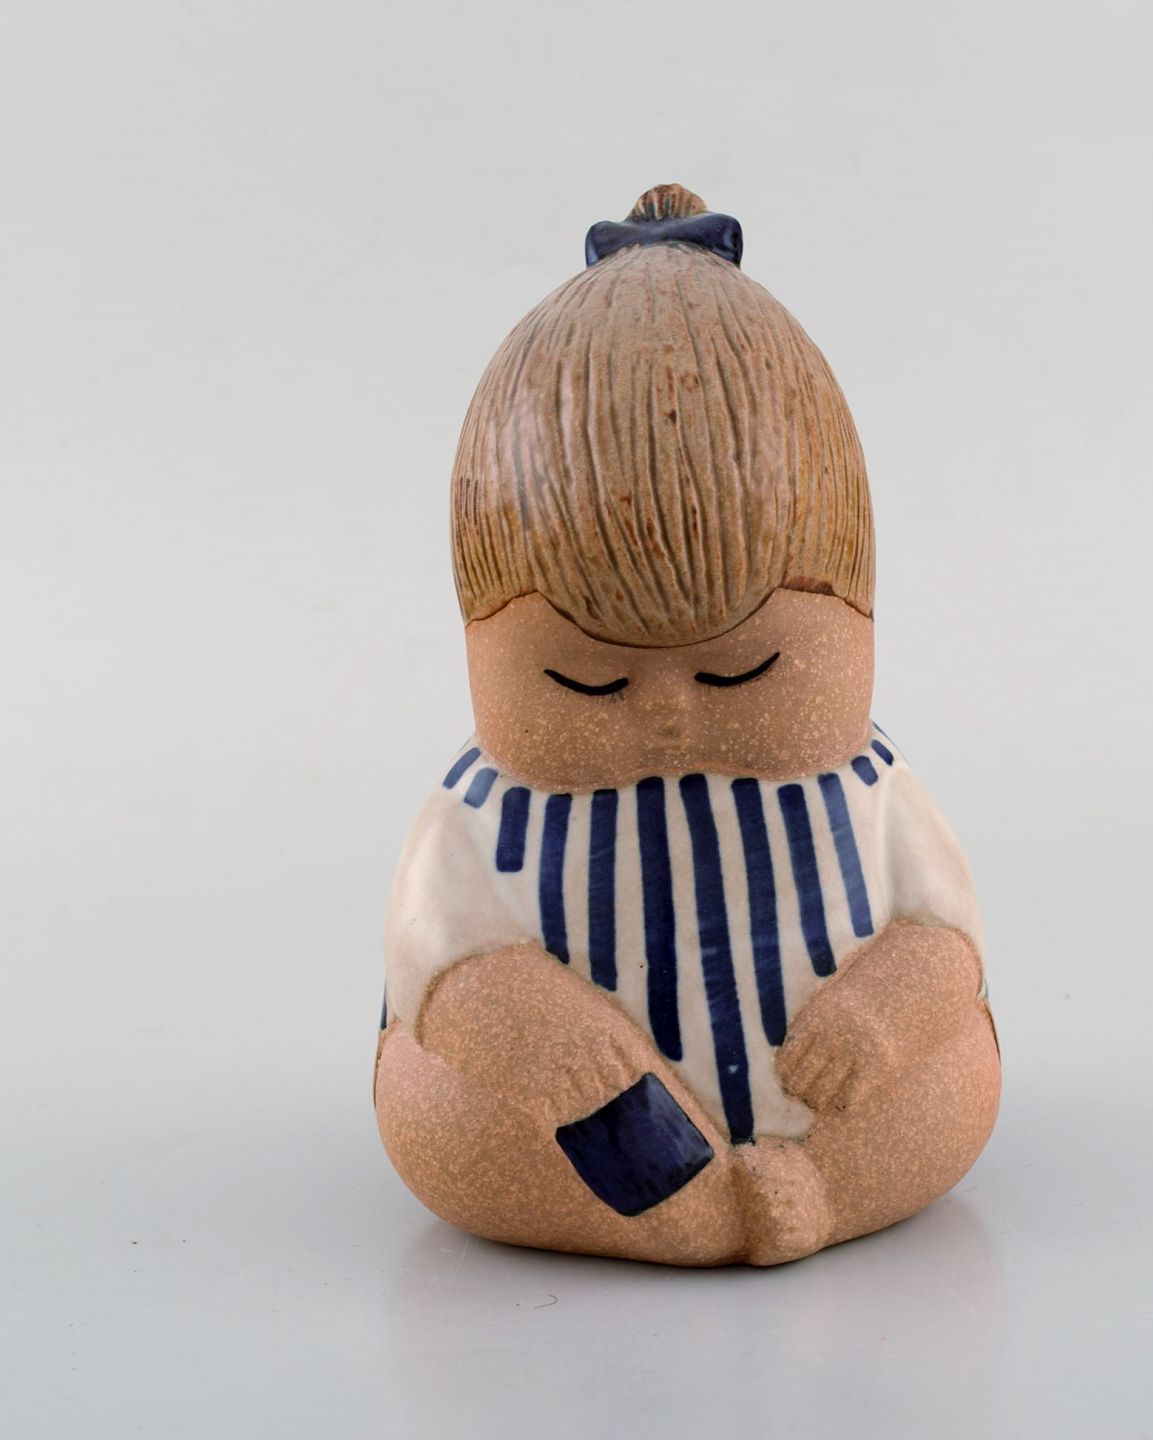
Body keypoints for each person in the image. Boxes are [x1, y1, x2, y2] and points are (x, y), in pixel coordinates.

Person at [374, 185, 1000, 1266]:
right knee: (453, 1109)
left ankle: (819, 1187)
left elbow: (943, 940)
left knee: (946, 1079)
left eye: (739, 670)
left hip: (839, 1108)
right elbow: (437, 965)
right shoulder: (478, 815)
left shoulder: (868, 788)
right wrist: (521, 1021)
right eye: (586, 680)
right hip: (584, 1123)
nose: (666, 711)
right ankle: (684, 1206)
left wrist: (882, 1014)